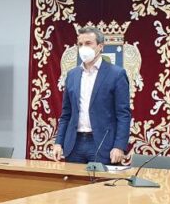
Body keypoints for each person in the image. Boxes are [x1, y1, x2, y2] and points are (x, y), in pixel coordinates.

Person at [51, 26, 131, 165]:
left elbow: (123, 114)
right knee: (73, 180)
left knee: (100, 180)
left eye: (88, 43)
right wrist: (58, 142)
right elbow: (66, 114)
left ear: (100, 46)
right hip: (74, 144)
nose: (83, 48)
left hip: (102, 145)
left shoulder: (116, 74)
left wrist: (119, 146)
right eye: (80, 44)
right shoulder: (72, 75)